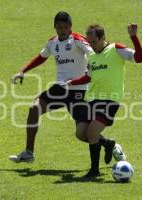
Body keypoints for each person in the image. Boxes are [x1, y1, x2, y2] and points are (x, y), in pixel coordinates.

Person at [9, 11, 117, 164]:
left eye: (65, 27)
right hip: (60, 89)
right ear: (55, 27)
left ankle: (109, 145)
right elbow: (41, 57)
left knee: (83, 134)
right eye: (59, 27)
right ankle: (28, 153)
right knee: (34, 109)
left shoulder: (78, 40)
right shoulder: (52, 43)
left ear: (70, 27)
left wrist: (95, 71)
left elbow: (94, 51)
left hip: (79, 90)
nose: (62, 30)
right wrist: (23, 71)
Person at [65, 23, 142, 177]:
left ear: (103, 38)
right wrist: (73, 82)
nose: (92, 46)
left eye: (94, 42)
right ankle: (109, 144)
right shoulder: (92, 56)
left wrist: (134, 37)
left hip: (110, 100)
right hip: (92, 99)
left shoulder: (116, 49)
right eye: (89, 42)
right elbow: (89, 76)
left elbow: (140, 58)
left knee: (93, 132)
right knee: (81, 134)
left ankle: (94, 171)